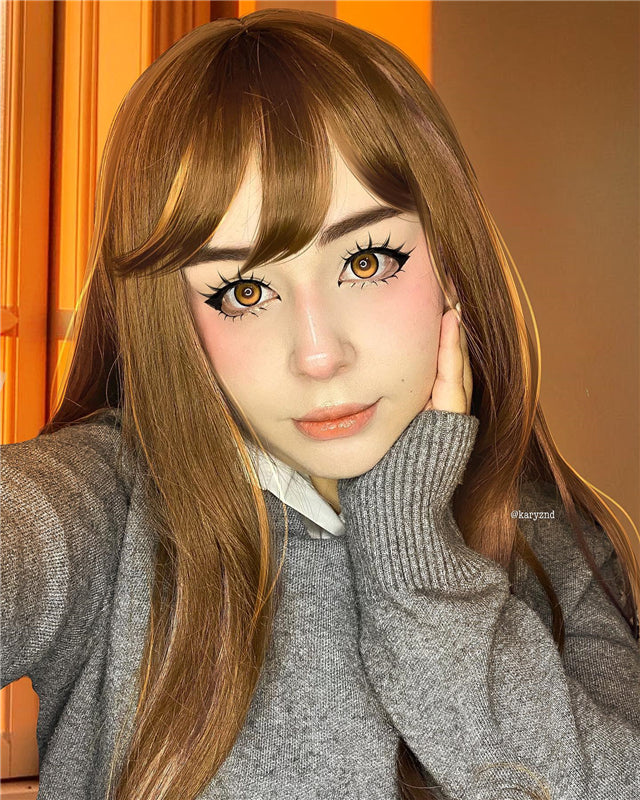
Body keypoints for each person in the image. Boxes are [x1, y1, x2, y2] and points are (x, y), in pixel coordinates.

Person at [1, 8, 639, 800]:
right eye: (244, 290)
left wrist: (419, 573)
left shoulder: (555, 544)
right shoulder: (108, 506)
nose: (317, 354)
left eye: (366, 261)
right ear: (173, 317)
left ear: (451, 260)